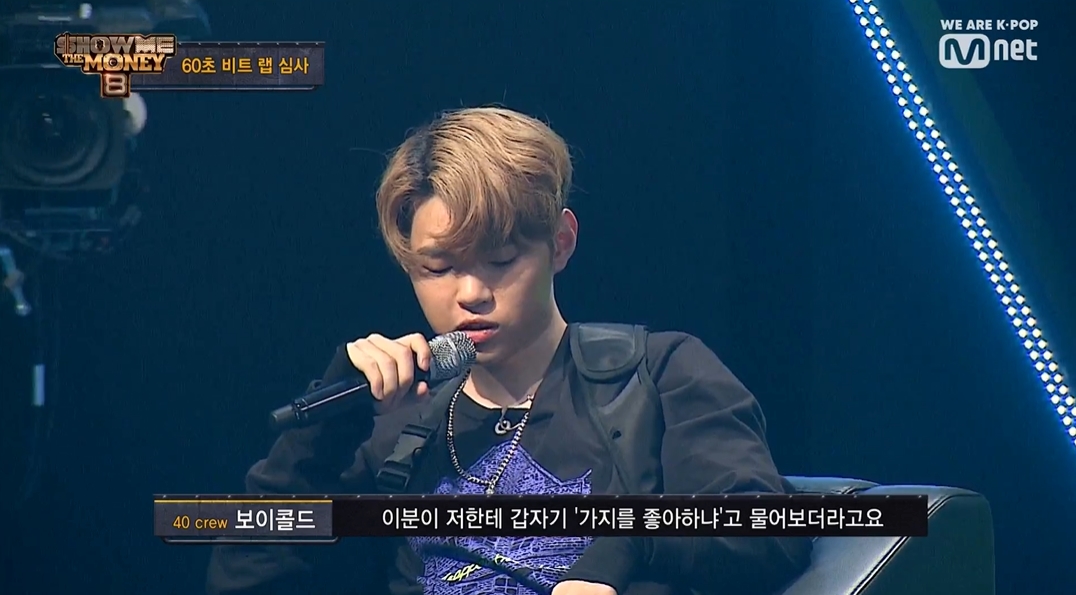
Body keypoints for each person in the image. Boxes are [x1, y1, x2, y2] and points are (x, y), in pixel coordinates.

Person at [207, 107, 811, 595]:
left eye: (500, 260)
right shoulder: (400, 431)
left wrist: (623, 544)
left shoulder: (660, 377)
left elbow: (770, 532)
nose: (470, 293)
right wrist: (322, 430)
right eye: (438, 268)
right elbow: (244, 581)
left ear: (561, 243)